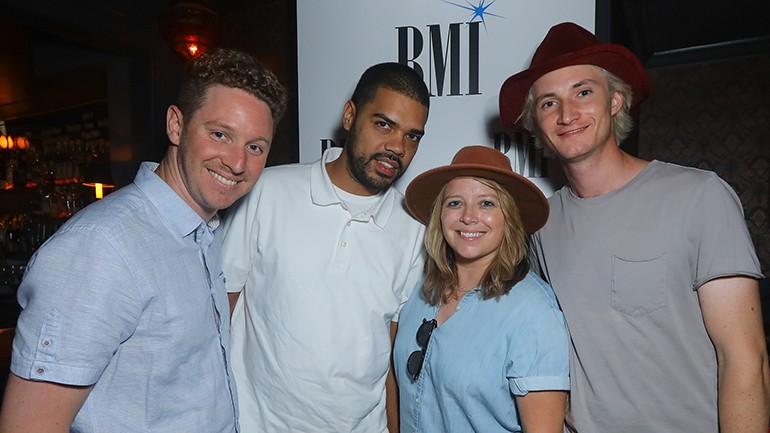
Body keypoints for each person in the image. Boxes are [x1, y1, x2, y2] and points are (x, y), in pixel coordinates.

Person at [499, 22, 770, 432]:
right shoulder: (540, 223)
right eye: (548, 103)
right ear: (536, 123)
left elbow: (746, 360)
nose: (567, 113)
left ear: (615, 101)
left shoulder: (699, 196)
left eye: (583, 92)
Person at [0, 48, 287, 433]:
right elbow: (30, 425)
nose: (238, 163)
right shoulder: (102, 246)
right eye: (220, 134)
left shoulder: (202, 233)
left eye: (255, 147)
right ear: (176, 125)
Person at [219, 62, 430, 432]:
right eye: (384, 124)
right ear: (350, 115)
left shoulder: (414, 231)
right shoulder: (267, 191)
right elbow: (220, 310)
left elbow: (394, 360)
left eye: (412, 136)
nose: (397, 146)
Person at [394, 145, 570, 433]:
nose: (468, 217)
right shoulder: (422, 291)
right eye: (454, 203)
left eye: (486, 203)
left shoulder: (534, 312)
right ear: (440, 215)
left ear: (509, 218)